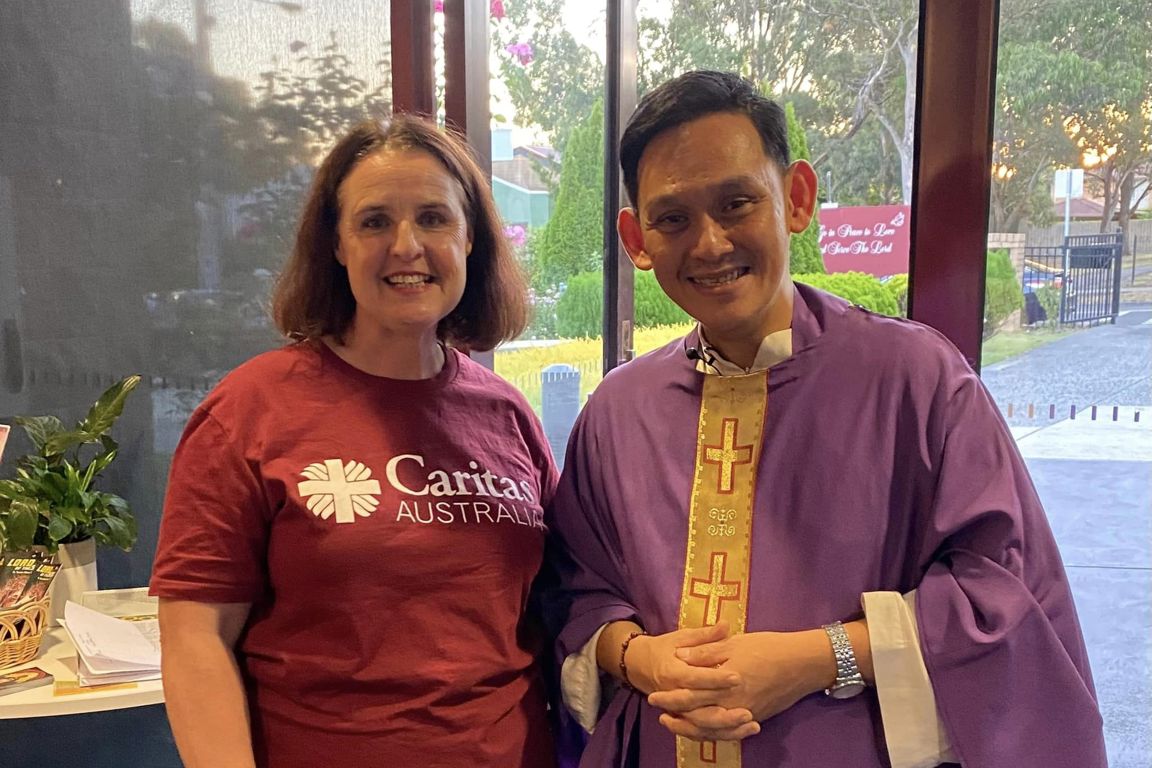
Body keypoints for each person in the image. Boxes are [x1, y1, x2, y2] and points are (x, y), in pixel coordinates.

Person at [547, 71, 1105, 768]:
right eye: (673, 219)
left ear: (797, 198)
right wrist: (638, 658)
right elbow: (576, 590)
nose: (710, 244)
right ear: (637, 238)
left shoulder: (916, 379)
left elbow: (1003, 598)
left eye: (736, 202)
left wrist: (814, 659)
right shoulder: (617, 412)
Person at [151, 115, 558, 768]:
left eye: (433, 218)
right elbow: (196, 637)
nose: (406, 246)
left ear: (471, 239)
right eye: (374, 222)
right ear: (336, 246)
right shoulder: (249, 410)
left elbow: (552, 603)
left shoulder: (507, 413)